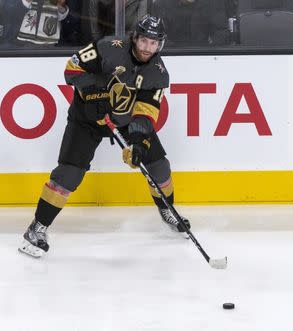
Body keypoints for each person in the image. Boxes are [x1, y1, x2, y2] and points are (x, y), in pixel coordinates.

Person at [18, 14, 191, 258]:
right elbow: (71, 69)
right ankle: (37, 228)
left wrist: (139, 143)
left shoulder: (158, 73)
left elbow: (145, 112)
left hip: (125, 119)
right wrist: (95, 91)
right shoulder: (109, 47)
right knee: (69, 174)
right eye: (144, 41)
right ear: (135, 38)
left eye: (153, 43)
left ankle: (167, 209)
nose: (147, 48)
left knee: (159, 167)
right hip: (86, 119)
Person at [151, 0, 228, 46]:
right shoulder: (161, 5)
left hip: (204, 52)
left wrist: (211, 46)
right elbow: (154, 35)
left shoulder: (212, 3)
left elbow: (221, 32)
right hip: (171, 53)